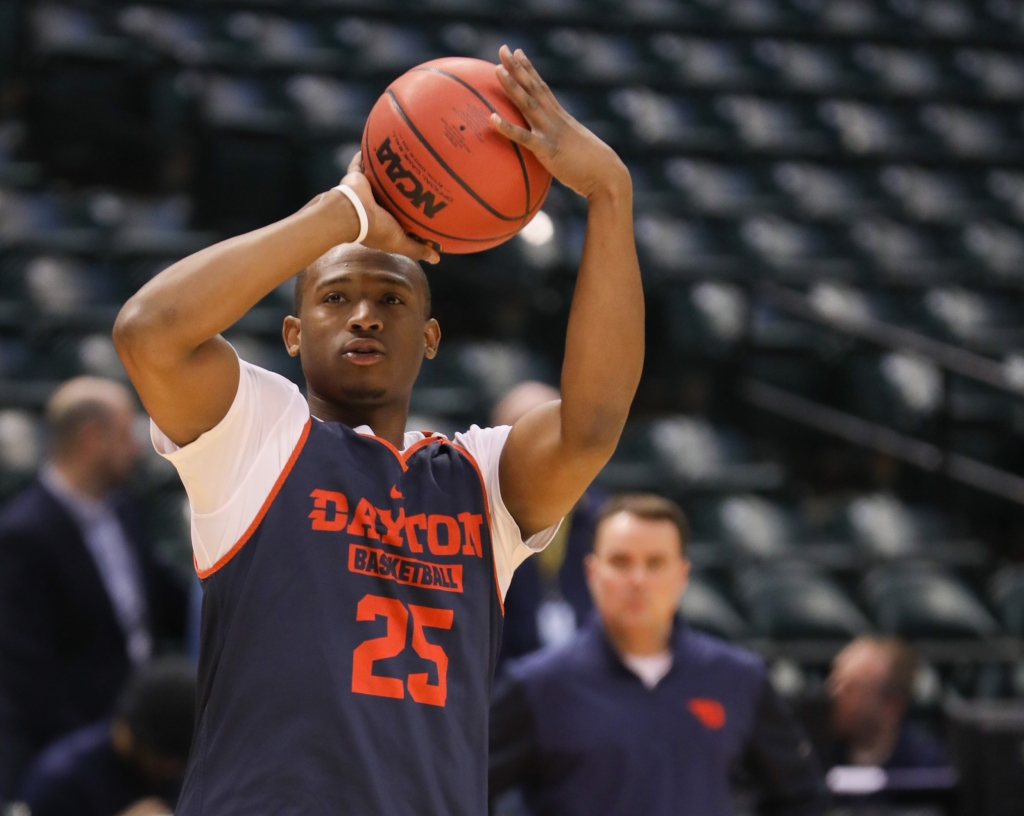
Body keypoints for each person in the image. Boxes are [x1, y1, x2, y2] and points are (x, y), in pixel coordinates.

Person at [112, 45, 643, 816]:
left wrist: (610, 192)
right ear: (292, 334)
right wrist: (349, 211)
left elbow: (592, 425)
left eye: (392, 301)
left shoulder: (475, 481)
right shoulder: (256, 438)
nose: (364, 314)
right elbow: (147, 331)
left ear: (430, 337)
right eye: (336, 297)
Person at [490, 494, 828, 816]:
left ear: (682, 574)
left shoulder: (740, 680)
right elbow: (464, 789)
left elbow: (802, 797)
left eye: (655, 563)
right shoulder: (538, 687)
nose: (638, 580)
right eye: (621, 562)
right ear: (592, 572)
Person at [0, 377, 187, 799]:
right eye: (125, 435)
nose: (137, 449)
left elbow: (160, 601)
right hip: (80, 766)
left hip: (142, 747)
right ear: (90, 438)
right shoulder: (24, 535)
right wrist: (103, 765)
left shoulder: (121, 508)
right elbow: (31, 680)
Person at [493, 381, 603, 661]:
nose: (537, 451)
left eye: (549, 435)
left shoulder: (608, 524)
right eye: (522, 437)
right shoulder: (474, 527)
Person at [18, 657, 196, 816]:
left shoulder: (171, 779)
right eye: (165, 757)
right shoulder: (61, 781)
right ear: (130, 735)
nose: (172, 769)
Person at [826, 637, 946, 769]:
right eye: (835, 683)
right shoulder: (816, 756)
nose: (834, 696)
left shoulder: (927, 766)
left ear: (893, 705)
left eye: (851, 688)